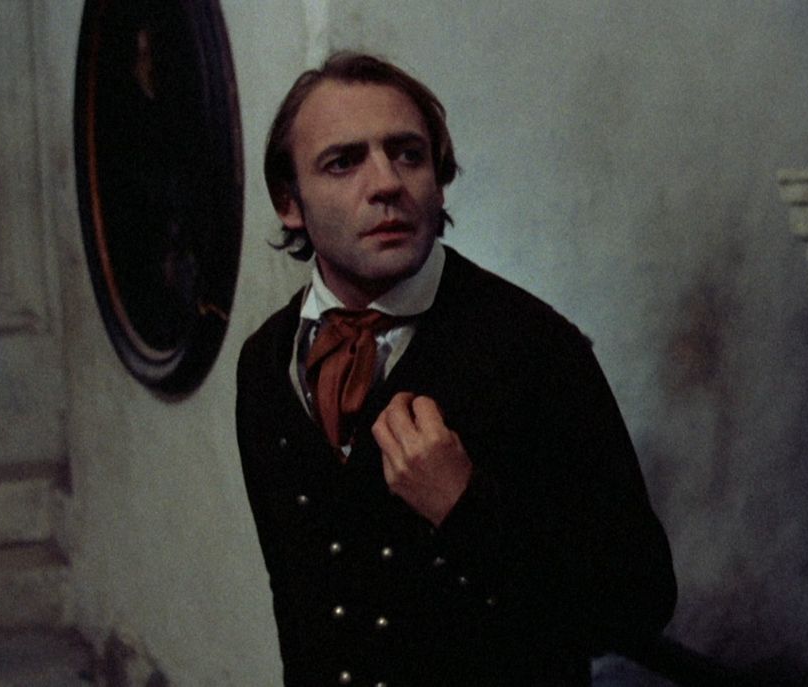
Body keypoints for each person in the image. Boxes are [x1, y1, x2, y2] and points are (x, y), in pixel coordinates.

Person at [235, 51, 676, 686]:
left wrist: (465, 506)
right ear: (289, 202)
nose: (386, 183)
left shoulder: (536, 348)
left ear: (438, 181)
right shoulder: (264, 361)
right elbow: (299, 606)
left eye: (408, 155)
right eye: (343, 162)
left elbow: (640, 602)